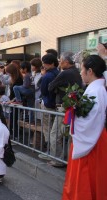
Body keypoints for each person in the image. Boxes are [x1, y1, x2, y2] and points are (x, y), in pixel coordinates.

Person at [62, 55, 107, 199]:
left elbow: (90, 121)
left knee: (85, 178)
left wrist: (73, 113)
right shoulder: (98, 89)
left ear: (90, 71)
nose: (80, 72)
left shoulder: (95, 91)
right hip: (97, 138)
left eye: (82, 69)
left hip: (91, 142)